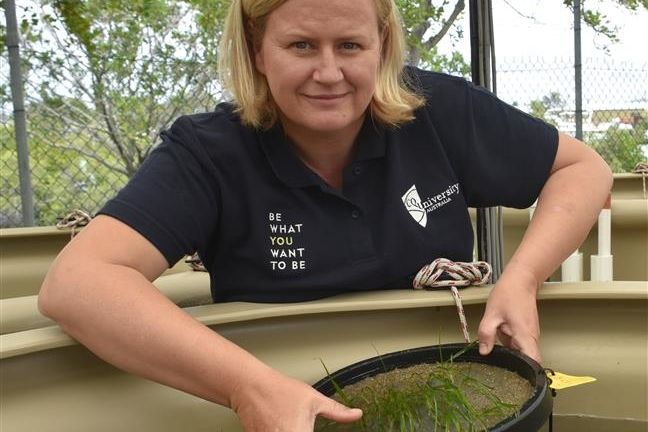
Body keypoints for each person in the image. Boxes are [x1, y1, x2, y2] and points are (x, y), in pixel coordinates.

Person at [38, 0, 613, 430]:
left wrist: (521, 279)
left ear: (383, 45)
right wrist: (248, 387)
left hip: (452, 383)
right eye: (301, 46)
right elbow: (77, 283)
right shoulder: (208, 153)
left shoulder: (437, 112)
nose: (330, 73)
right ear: (257, 50)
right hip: (288, 396)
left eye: (350, 46)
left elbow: (584, 169)